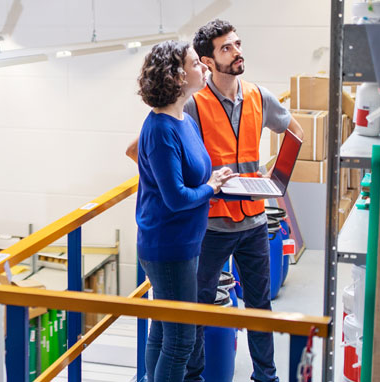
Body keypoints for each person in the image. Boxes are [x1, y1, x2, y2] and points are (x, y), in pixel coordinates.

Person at [126, 20, 303, 382]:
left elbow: (294, 131)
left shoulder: (256, 95)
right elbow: (142, 152)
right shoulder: (189, 107)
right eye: (226, 48)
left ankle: (265, 376)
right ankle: (195, 378)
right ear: (207, 60)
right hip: (208, 225)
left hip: (252, 216)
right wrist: (173, 183)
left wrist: (276, 177)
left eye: (238, 44)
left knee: (258, 306)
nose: (237, 52)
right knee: (193, 317)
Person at [134, 40, 236, 382]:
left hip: (184, 241)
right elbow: (176, 198)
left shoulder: (183, 120)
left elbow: (190, 174)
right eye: (196, 63)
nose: (204, 68)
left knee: (164, 330)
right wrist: (211, 188)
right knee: (180, 340)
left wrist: (212, 178)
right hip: (169, 246)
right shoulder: (161, 129)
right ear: (177, 76)